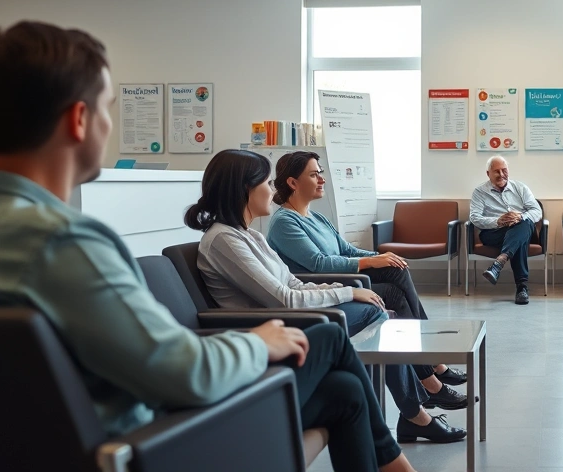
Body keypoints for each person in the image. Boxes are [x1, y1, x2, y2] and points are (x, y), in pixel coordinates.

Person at [0, 21, 418, 471]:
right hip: (160, 441)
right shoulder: (66, 243)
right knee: (335, 349)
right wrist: (259, 344)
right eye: (108, 109)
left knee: (346, 392)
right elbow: (183, 372)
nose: (108, 124)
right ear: (79, 120)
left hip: (71, 447)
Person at [185, 149, 468, 443]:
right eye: (268, 183)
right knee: (378, 313)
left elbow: (293, 283)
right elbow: (285, 298)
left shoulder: (250, 236)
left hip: (291, 315)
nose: (272, 190)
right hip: (274, 325)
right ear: (245, 188)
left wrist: (354, 288)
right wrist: (348, 291)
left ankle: (415, 410)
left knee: (380, 303)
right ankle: (417, 405)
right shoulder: (223, 240)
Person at [266, 150, 467, 388]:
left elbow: (347, 250)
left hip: (344, 277)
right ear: (292, 183)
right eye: (314, 175)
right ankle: (430, 369)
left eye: (320, 173)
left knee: (396, 270)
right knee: (393, 291)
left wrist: (382, 256)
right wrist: (372, 261)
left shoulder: (317, 217)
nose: (322, 179)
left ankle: (430, 369)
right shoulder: (284, 222)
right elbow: (319, 263)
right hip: (322, 285)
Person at [468, 155, 542, 305]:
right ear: (488, 173)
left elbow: (537, 211)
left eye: (504, 170)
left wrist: (519, 217)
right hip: (494, 233)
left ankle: (499, 264)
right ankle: (522, 287)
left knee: (523, 223)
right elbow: (475, 218)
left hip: (521, 229)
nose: (501, 174)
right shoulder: (479, 192)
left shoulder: (520, 188)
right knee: (520, 234)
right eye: (496, 171)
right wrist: (498, 221)